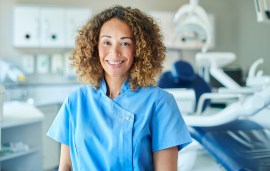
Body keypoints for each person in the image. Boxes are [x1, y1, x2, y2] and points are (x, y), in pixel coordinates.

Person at [47, 5, 192, 171]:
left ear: (139, 49)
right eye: (106, 42)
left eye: (125, 43)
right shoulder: (76, 101)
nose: (114, 52)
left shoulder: (160, 103)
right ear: (94, 47)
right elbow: (66, 166)